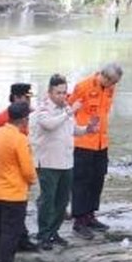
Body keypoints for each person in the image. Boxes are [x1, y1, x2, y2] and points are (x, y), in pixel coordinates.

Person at [31, 75, 95, 249]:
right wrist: (69, 112)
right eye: (58, 93)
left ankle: (54, 232)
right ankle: (43, 235)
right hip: (48, 162)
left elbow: (73, 129)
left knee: (63, 200)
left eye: (65, 93)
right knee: (48, 199)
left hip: (66, 161)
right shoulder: (42, 109)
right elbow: (49, 125)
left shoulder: (66, 108)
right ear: (49, 92)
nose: (62, 96)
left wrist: (87, 129)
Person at [68, 62, 122, 239]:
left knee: (97, 180)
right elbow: (69, 109)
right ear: (104, 77)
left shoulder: (109, 89)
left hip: (101, 143)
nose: (114, 86)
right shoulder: (83, 86)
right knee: (81, 182)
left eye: (115, 83)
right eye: (112, 82)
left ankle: (90, 215)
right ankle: (79, 221)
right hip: (83, 142)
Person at [0, 102, 36, 262]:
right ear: (23, 120)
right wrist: (32, 180)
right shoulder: (20, 139)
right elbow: (27, 169)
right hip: (14, 193)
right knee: (10, 231)